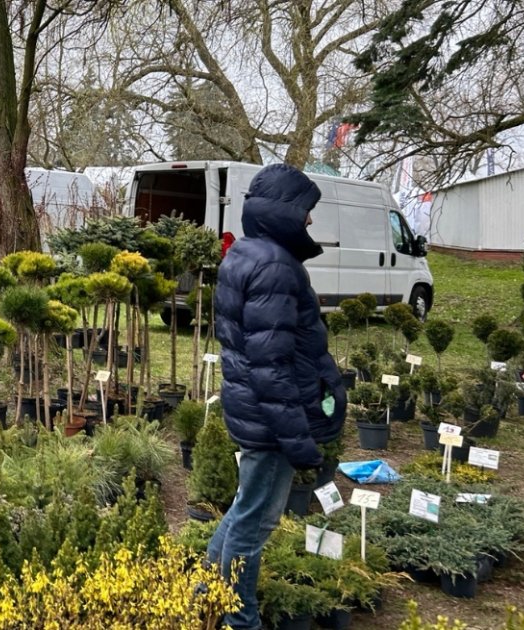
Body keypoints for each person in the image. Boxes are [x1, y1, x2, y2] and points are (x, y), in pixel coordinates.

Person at [207, 164, 346, 630]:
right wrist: (298, 439)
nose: (310, 221)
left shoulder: (246, 253)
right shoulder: (275, 267)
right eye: (306, 210)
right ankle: (238, 619)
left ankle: (206, 593)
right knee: (255, 524)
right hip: (270, 419)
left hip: (253, 410)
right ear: (284, 212)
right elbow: (272, 365)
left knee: (242, 511)